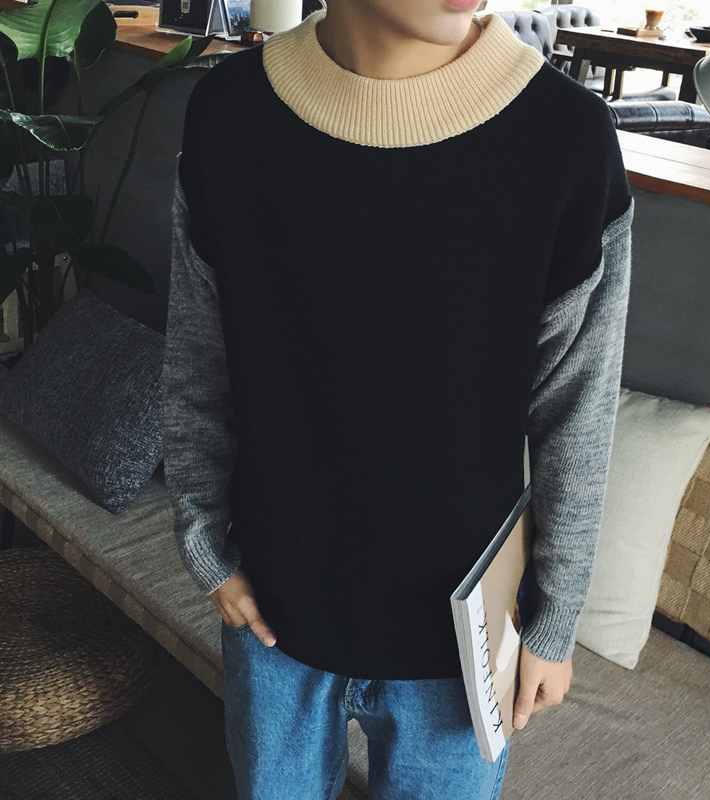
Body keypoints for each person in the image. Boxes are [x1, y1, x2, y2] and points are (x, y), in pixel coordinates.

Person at [162, 0, 634, 797]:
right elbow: (198, 362)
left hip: (460, 646)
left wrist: (555, 620)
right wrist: (204, 542)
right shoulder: (229, 116)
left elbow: (577, 410)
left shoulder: (565, 139)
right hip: (274, 617)